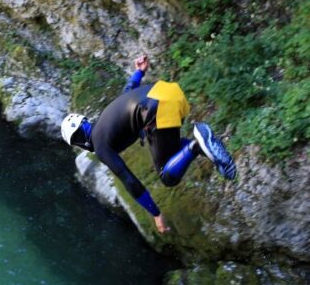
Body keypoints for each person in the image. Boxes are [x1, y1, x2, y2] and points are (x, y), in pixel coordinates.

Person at [61, 55, 236, 234]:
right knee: (173, 153)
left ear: (79, 141)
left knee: (167, 175)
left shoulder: (100, 146)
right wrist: (139, 71)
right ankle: (211, 151)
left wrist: (156, 213)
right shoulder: (105, 120)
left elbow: (129, 181)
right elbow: (128, 90)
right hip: (169, 93)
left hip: (155, 109)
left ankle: (197, 145)